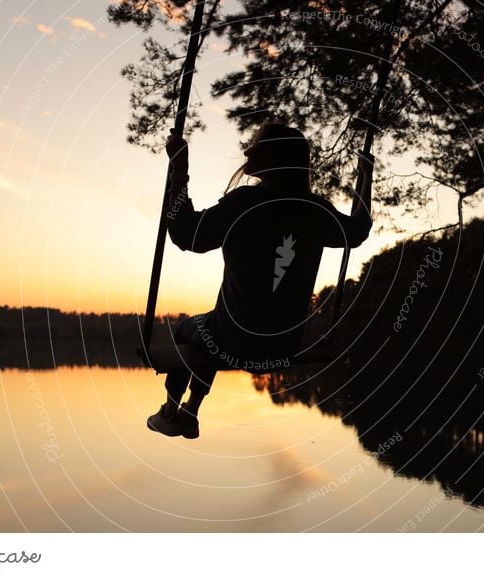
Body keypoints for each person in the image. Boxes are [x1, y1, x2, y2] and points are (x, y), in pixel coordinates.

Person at [147, 122, 374, 438]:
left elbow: (186, 234)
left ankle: (172, 410)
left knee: (190, 329)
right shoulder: (315, 210)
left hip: (232, 341)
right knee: (214, 328)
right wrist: (366, 178)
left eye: (255, 144)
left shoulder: (243, 203)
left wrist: (179, 168)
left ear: (272, 155)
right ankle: (191, 412)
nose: (246, 150)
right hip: (283, 345)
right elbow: (359, 229)